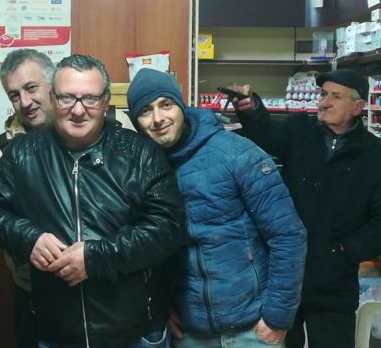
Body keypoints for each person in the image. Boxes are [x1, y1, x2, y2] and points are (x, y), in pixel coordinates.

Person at [0, 54, 185, 348]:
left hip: (136, 333)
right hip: (57, 333)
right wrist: (28, 237)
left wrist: (96, 258)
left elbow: (169, 228)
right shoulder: (22, 154)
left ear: (105, 101)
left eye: (89, 99)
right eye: (66, 98)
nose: (77, 110)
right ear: (53, 99)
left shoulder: (139, 153)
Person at [126, 67, 307, 348]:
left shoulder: (237, 154)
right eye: (146, 111)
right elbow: (152, 253)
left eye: (166, 104)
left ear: (181, 106)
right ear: (136, 122)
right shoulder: (142, 169)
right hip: (190, 333)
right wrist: (164, 309)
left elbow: (287, 236)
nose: (158, 118)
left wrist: (277, 317)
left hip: (252, 330)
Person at [227, 68, 381, 348]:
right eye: (323, 94)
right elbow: (267, 134)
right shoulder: (300, 130)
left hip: (334, 280)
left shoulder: (378, 157)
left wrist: (347, 249)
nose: (324, 102)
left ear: (357, 107)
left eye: (335, 97)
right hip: (285, 273)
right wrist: (250, 109)